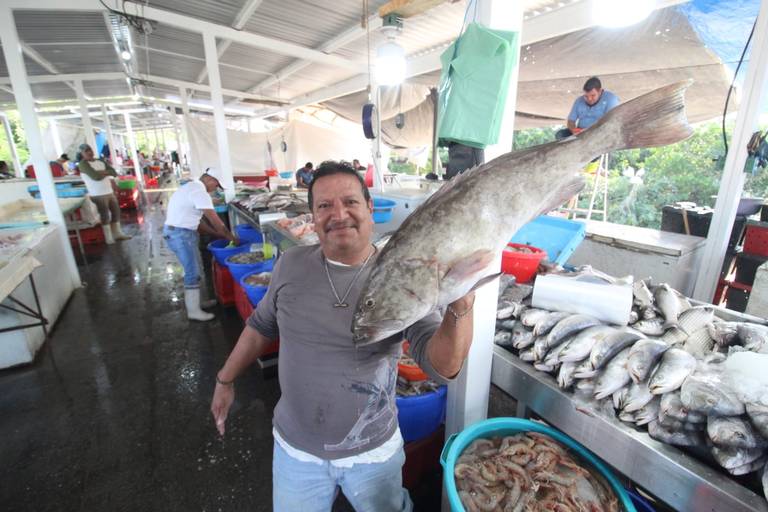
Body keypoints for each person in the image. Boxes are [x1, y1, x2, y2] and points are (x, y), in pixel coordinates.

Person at [210, 161, 475, 511]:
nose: (339, 214)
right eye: (324, 205)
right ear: (312, 216)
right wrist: (224, 379)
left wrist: (461, 304)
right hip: (295, 450)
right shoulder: (291, 264)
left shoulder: (403, 277)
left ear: (369, 207)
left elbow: (443, 367)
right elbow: (261, 326)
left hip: (372, 453)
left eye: (350, 201)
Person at [163, 167, 237, 322]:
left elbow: (198, 223)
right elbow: (216, 222)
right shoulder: (200, 192)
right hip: (180, 235)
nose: (215, 190)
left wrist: (218, 234)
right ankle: (193, 311)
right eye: (216, 186)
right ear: (210, 180)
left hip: (181, 233)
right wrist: (231, 238)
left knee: (194, 269)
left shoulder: (191, 187)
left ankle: (197, 303)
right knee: (192, 271)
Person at [77, 143, 132, 244]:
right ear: (82, 154)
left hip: (109, 191)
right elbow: (95, 177)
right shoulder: (83, 164)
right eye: (86, 151)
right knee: (105, 215)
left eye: (90, 149)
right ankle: (109, 237)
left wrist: (101, 172)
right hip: (97, 194)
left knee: (116, 212)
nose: (89, 152)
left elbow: (113, 172)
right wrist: (105, 172)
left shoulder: (100, 161)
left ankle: (118, 233)